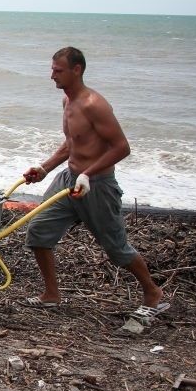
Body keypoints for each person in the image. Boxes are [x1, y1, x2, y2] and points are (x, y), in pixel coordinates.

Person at [22, 46, 164, 320]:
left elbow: (122, 147)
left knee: (116, 248)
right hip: (69, 180)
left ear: (77, 70)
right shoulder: (67, 101)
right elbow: (72, 144)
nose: (52, 76)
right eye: (52, 70)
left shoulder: (93, 104)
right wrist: (44, 168)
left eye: (58, 70)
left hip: (97, 185)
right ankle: (51, 295)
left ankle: (152, 292)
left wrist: (88, 174)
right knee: (38, 230)